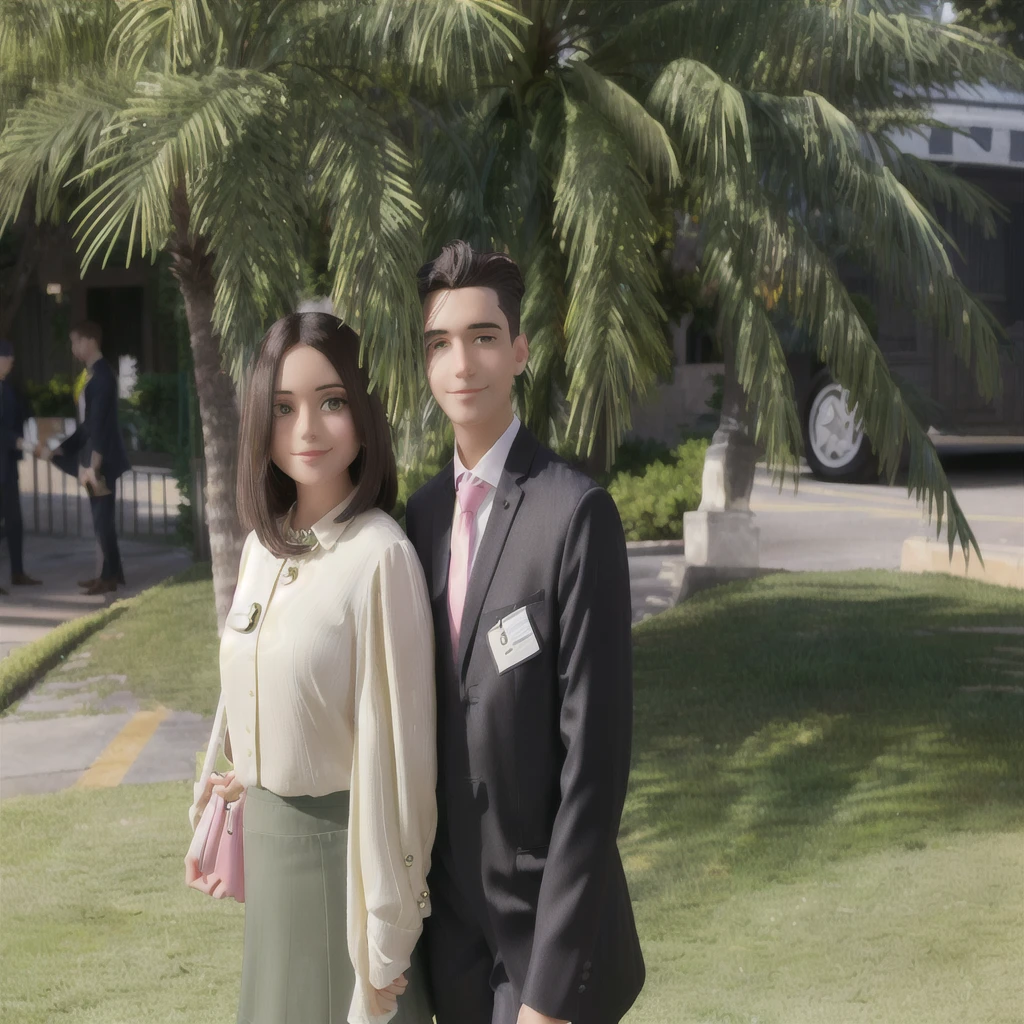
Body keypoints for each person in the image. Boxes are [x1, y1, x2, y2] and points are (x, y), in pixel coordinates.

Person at [404, 242, 645, 1024]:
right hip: (452, 946)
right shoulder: (420, 519)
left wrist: (548, 992)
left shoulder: (574, 515)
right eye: (440, 343)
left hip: (548, 949)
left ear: (519, 350)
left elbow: (596, 769)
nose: (460, 362)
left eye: (481, 337)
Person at [189, 312, 436, 1024]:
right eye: (285, 408)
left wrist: (387, 936)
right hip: (270, 873)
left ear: (363, 412)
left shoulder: (380, 556)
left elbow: (404, 764)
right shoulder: (261, 550)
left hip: (347, 883)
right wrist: (239, 785)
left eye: (331, 402)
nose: (308, 429)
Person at [41, 321, 130, 594]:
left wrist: (93, 465)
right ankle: (111, 574)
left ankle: (110, 577)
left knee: (103, 520)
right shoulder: (94, 375)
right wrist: (64, 448)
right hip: (93, 457)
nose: (73, 348)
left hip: (100, 462)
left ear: (89, 341)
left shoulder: (102, 377)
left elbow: (100, 426)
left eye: (75, 342)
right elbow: (87, 425)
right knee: (101, 520)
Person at [0, 339, 42, 592]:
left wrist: (37, 434)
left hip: (8, 466)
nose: (12, 362)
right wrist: (18, 441)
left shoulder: (8, 389)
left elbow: (21, 418)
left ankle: (17, 572)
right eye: (8, 358)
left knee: (14, 521)